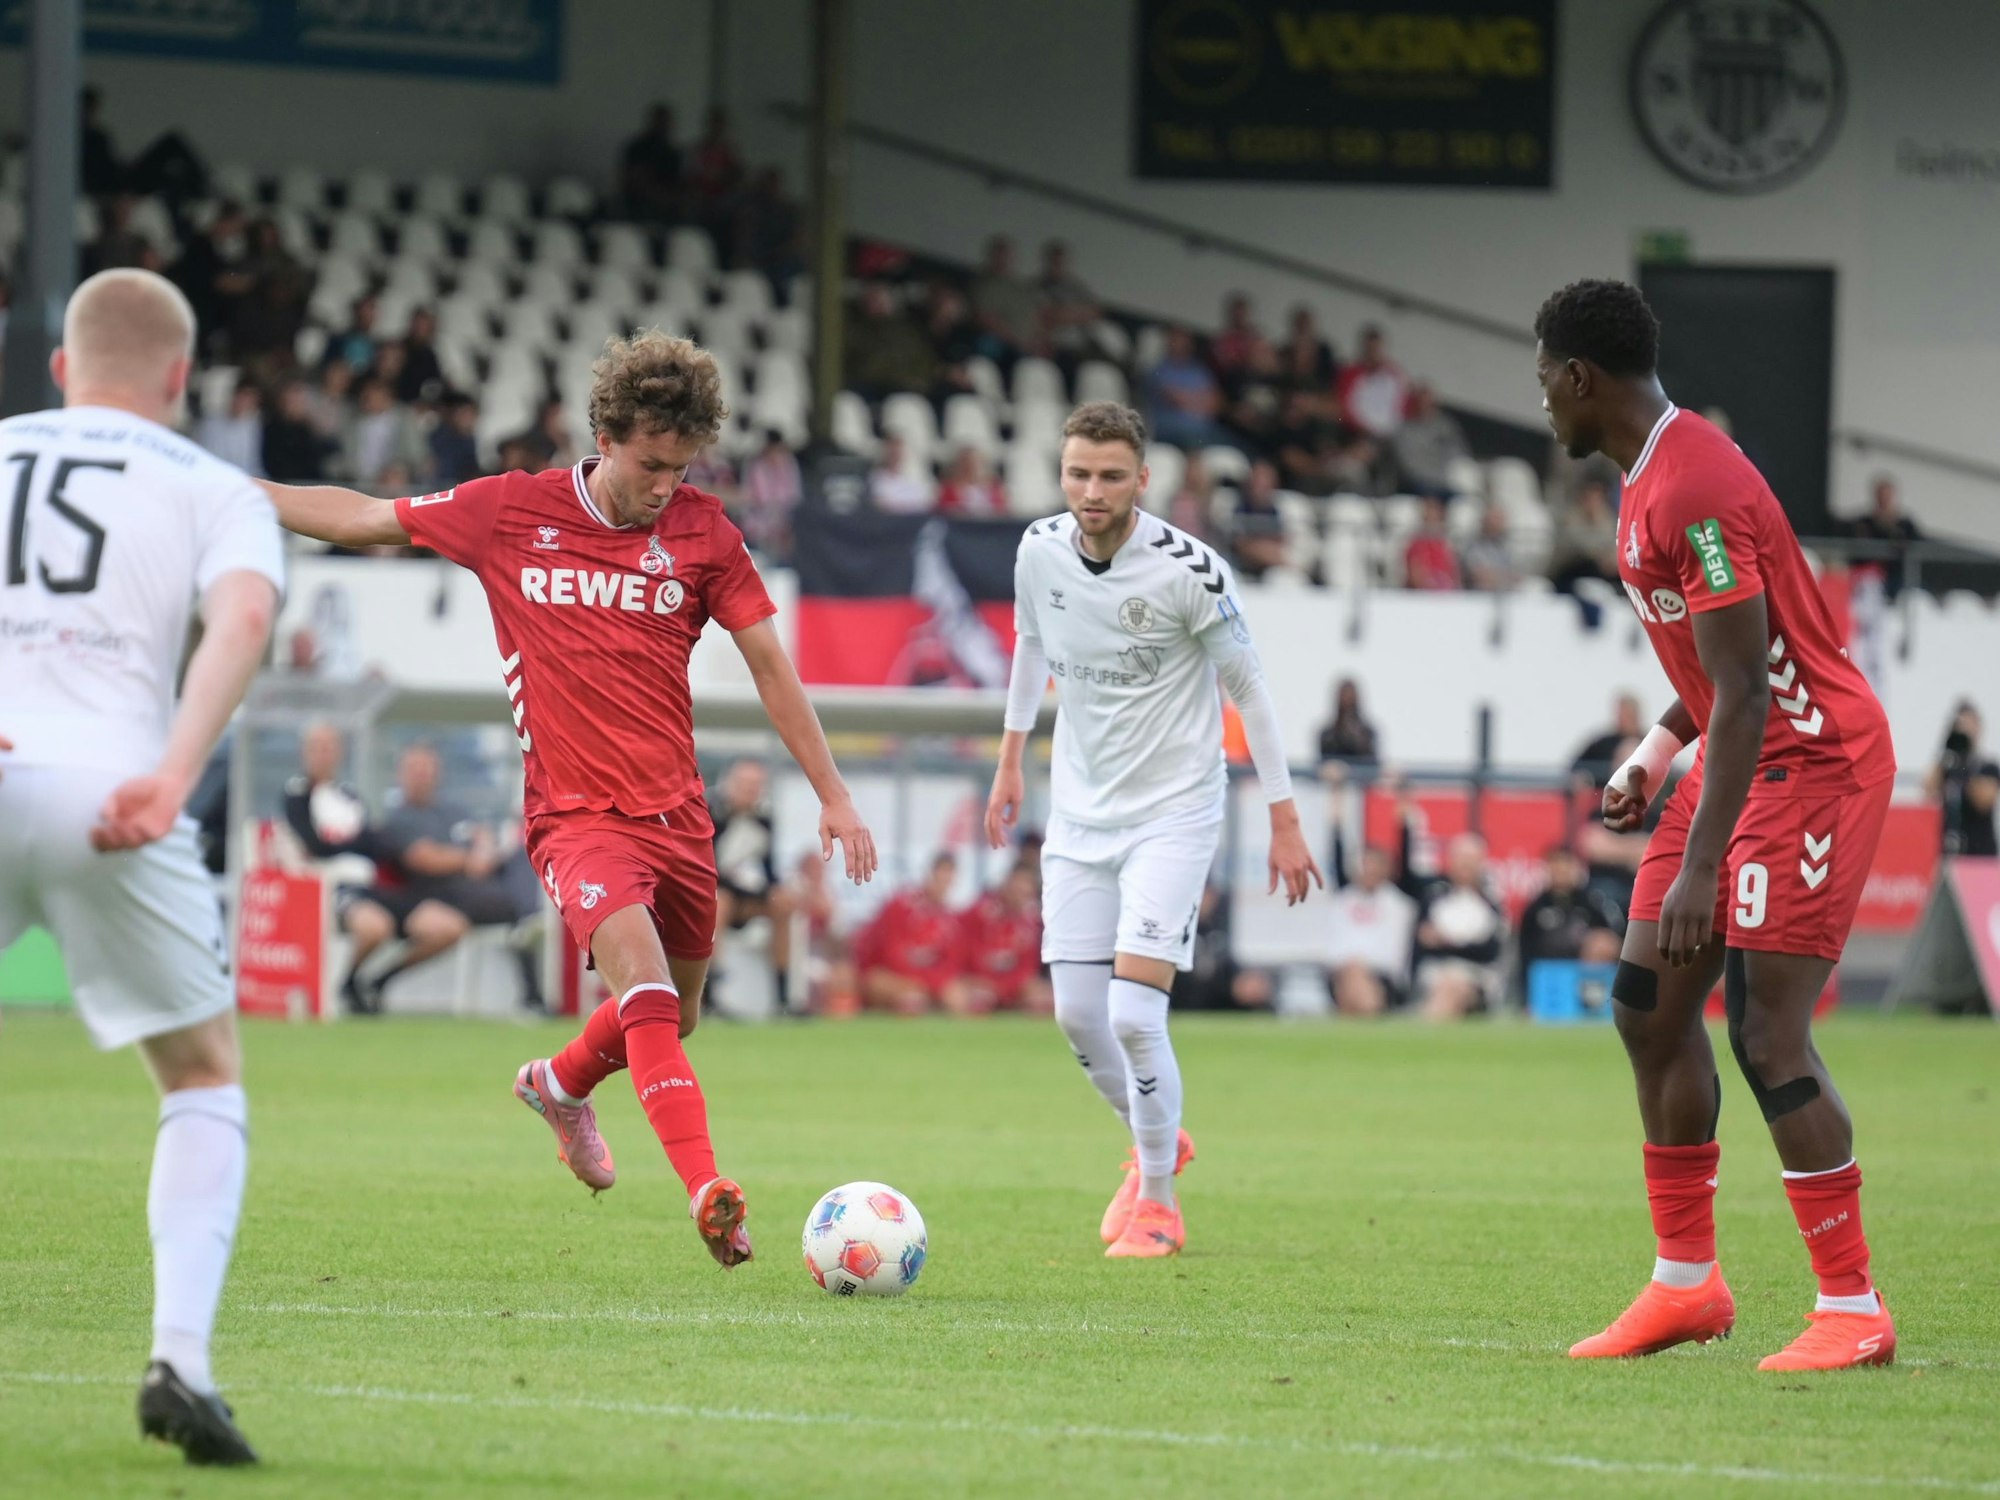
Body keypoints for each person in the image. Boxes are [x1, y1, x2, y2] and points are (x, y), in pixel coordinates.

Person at [258, 329, 879, 1271]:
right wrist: (233, 497)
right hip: (575, 819)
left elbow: (770, 670)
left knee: (676, 1015)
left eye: (681, 465)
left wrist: (833, 795)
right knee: (649, 990)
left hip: (678, 819)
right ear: (605, 434)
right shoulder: (511, 511)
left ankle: (559, 1083)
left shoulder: (706, 532)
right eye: (650, 463)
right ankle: (710, 1189)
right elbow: (359, 518)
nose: (665, 483)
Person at [1535, 278, 1899, 1370]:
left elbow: (1746, 691)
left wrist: (1701, 865)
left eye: (1543, 383)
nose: (1542, 405)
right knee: (1647, 1007)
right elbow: (1711, 674)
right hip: (1742, 755)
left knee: (1764, 1033)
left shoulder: (1689, 485)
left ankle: (1850, 1308)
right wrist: (1652, 753)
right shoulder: (1647, 471)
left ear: (1576, 378)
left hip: (1810, 763)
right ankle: (1685, 1287)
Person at [0, 269, 284, 1463]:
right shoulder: (213, 484)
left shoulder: (7, 444)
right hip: (113, 789)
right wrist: (173, 773)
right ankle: (180, 1359)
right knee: (201, 1073)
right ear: (180, 381)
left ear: (62, 368)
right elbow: (244, 622)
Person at [985, 400, 1321, 1259]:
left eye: (1109, 476)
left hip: (1173, 810)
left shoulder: (1190, 570)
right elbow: (1029, 645)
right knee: (1074, 1013)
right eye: (1076, 474)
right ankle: (1159, 1139)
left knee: (1134, 1014)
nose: (1090, 491)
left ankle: (1161, 1206)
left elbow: (1251, 693)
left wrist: (1284, 817)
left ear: (1143, 479)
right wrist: (1010, 760)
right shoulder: (1038, 550)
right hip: (1079, 811)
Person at [328, 742, 519, 1015]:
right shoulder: (398, 817)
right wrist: (468, 859)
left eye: (427, 769)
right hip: (391, 896)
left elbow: (483, 835)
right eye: (414, 769)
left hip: (424, 901)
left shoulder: (453, 810)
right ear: (400, 774)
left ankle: (380, 981)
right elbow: (423, 858)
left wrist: (484, 851)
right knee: (375, 928)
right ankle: (348, 983)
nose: (421, 775)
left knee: (452, 928)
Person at [710, 759, 798, 998]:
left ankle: (783, 996)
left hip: (744, 895)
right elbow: (710, 870)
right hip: (713, 897)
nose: (750, 791)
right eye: (744, 784)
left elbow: (768, 868)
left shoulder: (764, 820)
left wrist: (775, 890)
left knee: (783, 903)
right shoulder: (711, 814)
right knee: (720, 903)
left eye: (756, 785)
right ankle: (710, 995)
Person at [1323, 810, 1418, 1017]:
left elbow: (1406, 851)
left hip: (1383, 977)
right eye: (1365, 864)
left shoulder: (1397, 899)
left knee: (1355, 977)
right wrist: (1336, 795)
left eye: (1376, 865)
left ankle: (1366, 1011)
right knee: (1351, 973)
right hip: (1342, 972)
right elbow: (1336, 846)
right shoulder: (1345, 895)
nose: (1370, 871)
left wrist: (1402, 802)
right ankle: (1366, 1013)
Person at [853, 852, 971, 1014]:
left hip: (927, 982)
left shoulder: (950, 920)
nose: (943, 885)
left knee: (958, 999)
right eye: (940, 877)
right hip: (890, 975)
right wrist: (924, 983)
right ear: (929, 875)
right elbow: (891, 955)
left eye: (948, 880)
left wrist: (934, 984)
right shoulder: (900, 906)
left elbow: (951, 963)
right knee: (911, 1000)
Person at [1409, 832, 1506, 1019]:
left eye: (1471, 859)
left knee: (1454, 985)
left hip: (1476, 976)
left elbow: (1490, 950)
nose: (1465, 864)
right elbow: (1422, 942)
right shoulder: (1434, 896)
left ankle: (1427, 1025)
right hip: (1435, 974)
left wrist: (1447, 942)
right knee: (1447, 983)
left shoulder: (1492, 901)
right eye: (1461, 858)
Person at [1517, 846, 1625, 997]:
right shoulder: (1535, 910)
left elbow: (1616, 939)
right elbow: (1525, 952)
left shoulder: (1594, 903)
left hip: (1585, 972)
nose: (1561, 873)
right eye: (1556, 867)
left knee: (1603, 943)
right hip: (1548, 976)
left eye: (1565, 867)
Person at [957, 861, 1052, 1013]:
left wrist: (1007, 987)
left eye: (1025, 892)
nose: (1020, 895)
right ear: (1007, 885)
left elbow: (1028, 967)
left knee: (1045, 1001)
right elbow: (966, 952)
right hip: (979, 980)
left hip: (1013, 985)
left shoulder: (1032, 921)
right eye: (1017, 888)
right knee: (974, 1001)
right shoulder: (980, 912)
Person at [1928, 701, 1998, 857]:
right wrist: (1947, 748)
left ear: (1978, 728)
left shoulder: (1987, 766)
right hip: (1947, 852)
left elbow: (1983, 801)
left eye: (1969, 725)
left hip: (1979, 855)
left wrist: (1966, 763)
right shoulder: (1948, 764)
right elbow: (1928, 790)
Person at [1143, 326, 1225, 451]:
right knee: (1193, 439)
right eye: (1177, 338)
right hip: (1170, 430)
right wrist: (1202, 401)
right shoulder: (1160, 369)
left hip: (1206, 430)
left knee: (1238, 445)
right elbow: (1175, 399)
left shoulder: (1199, 370)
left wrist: (1189, 400)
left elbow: (1217, 403)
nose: (1181, 343)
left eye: (1185, 339)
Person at [1847, 476, 1923, 598]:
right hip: (1870, 579)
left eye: (1887, 497)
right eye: (1881, 496)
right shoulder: (1864, 523)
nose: (1884, 500)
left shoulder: (1905, 525)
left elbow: (1917, 547)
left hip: (1898, 578)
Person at [1391, 383, 1470, 500]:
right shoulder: (1404, 430)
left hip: (1446, 481)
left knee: (1465, 501)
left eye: (1431, 403)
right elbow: (1408, 466)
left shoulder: (1445, 425)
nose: (1427, 407)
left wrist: (1446, 474)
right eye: (1422, 403)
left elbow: (1458, 451)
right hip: (1419, 484)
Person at [867, 433, 936, 515]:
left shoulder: (910, 477)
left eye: (898, 451)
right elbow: (882, 505)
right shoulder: (876, 478)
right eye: (892, 452)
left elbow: (926, 501)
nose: (895, 455)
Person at [1316, 677, 1379, 766]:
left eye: (1351, 697)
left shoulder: (1367, 733)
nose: (1347, 701)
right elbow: (1322, 764)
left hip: (1361, 778)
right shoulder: (1327, 735)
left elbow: (1372, 763)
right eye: (1344, 697)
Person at [1403, 495, 1462, 590]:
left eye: (1435, 513)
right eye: (1429, 513)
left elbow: (1454, 572)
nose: (1432, 517)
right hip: (1422, 595)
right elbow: (1414, 574)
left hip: (1445, 594)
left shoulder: (1446, 544)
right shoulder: (1416, 543)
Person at [1461, 504, 1518, 592]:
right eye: (1495, 519)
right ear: (1485, 521)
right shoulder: (1474, 546)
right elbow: (1481, 577)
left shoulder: (1504, 546)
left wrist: (1499, 577)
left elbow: (1516, 576)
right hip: (1477, 598)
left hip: (1504, 595)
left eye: (1501, 520)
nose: (1498, 524)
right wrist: (1504, 578)